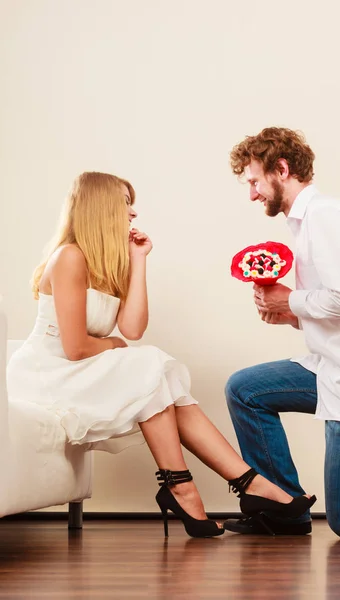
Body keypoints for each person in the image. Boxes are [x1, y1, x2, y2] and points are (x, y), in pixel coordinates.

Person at [6, 171, 315, 538]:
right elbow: (74, 348)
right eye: (125, 203)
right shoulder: (69, 258)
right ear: (102, 207)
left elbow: (133, 329)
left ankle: (234, 486)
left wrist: (139, 260)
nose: (133, 213)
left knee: (160, 375)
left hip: (79, 369)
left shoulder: (107, 262)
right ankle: (206, 487)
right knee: (149, 364)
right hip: (48, 374)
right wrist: (116, 346)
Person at [224, 127, 340, 539]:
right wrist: (292, 317)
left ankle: (297, 509)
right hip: (331, 367)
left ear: (281, 169)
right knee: (245, 390)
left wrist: (291, 302)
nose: (251, 194)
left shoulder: (326, 216)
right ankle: (285, 507)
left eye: (253, 181)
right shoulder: (305, 222)